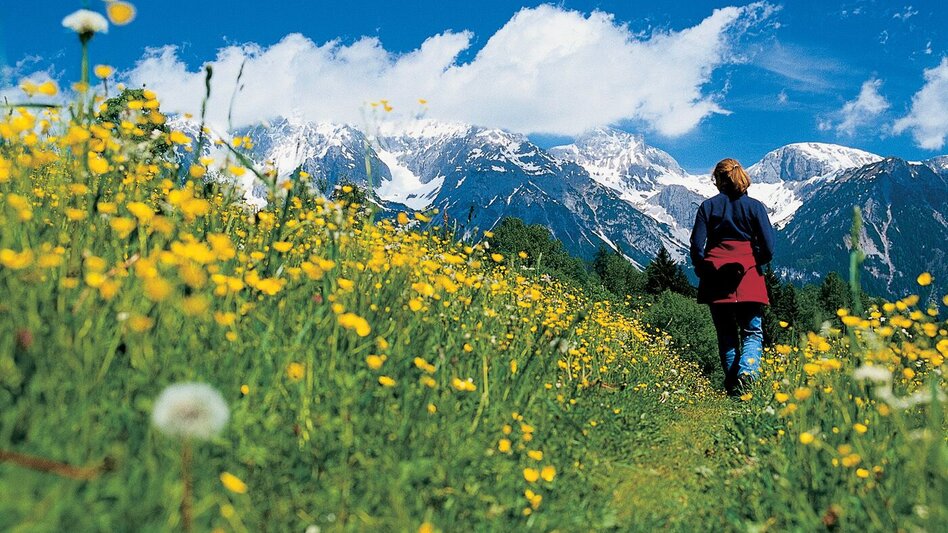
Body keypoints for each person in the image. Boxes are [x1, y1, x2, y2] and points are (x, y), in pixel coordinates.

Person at [690, 158, 775, 395]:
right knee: (752, 332)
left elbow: (696, 246)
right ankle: (748, 372)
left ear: (718, 180)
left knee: (726, 337)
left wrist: (703, 269)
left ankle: (735, 392)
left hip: (716, 279)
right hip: (748, 277)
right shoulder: (755, 207)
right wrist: (753, 261)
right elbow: (768, 247)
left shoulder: (708, 207)